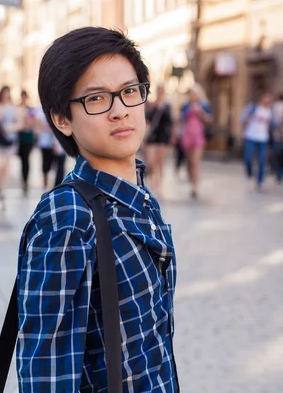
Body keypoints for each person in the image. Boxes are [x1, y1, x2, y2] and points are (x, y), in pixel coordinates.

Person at [16, 27, 179, 392]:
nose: (120, 111)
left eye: (130, 92)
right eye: (96, 99)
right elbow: (47, 372)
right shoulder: (68, 218)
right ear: (62, 119)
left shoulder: (139, 198)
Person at [174, 84, 211, 198]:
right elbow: (178, 119)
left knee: (195, 161)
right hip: (187, 135)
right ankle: (191, 180)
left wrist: (201, 113)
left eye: (194, 94)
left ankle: (195, 186)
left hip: (198, 135)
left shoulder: (203, 105)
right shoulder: (185, 106)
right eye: (190, 94)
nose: (192, 96)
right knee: (189, 162)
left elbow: (209, 120)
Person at [0, 86, 21, 202]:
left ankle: (2, 191)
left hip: (9, 140)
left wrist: (10, 128)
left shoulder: (14, 108)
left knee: (5, 168)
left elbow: (20, 123)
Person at [240, 92, 276, 191]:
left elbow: (274, 124)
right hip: (251, 136)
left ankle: (260, 181)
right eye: (265, 98)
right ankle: (250, 173)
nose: (267, 101)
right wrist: (247, 118)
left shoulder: (270, 111)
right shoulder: (253, 107)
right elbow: (242, 118)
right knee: (248, 158)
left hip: (263, 138)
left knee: (262, 160)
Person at [144, 84, 173, 195]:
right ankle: (152, 180)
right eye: (158, 91)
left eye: (162, 91)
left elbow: (169, 121)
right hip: (152, 136)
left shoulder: (167, 106)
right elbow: (147, 118)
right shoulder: (152, 105)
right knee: (151, 161)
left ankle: (159, 183)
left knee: (160, 161)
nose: (160, 93)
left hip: (162, 136)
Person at [18, 90, 36, 197]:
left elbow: (32, 122)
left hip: (28, 137)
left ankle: (25, 181)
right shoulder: (18, 108)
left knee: (26, 159)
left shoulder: (30, 110)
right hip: (20, 137)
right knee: (22, 160)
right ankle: (23, 180)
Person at [271, 93, 283, 182]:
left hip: (277, 135)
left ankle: (277, 172)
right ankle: (280, 173)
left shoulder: (274, 106)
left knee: (278, 154)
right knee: (282, 155)